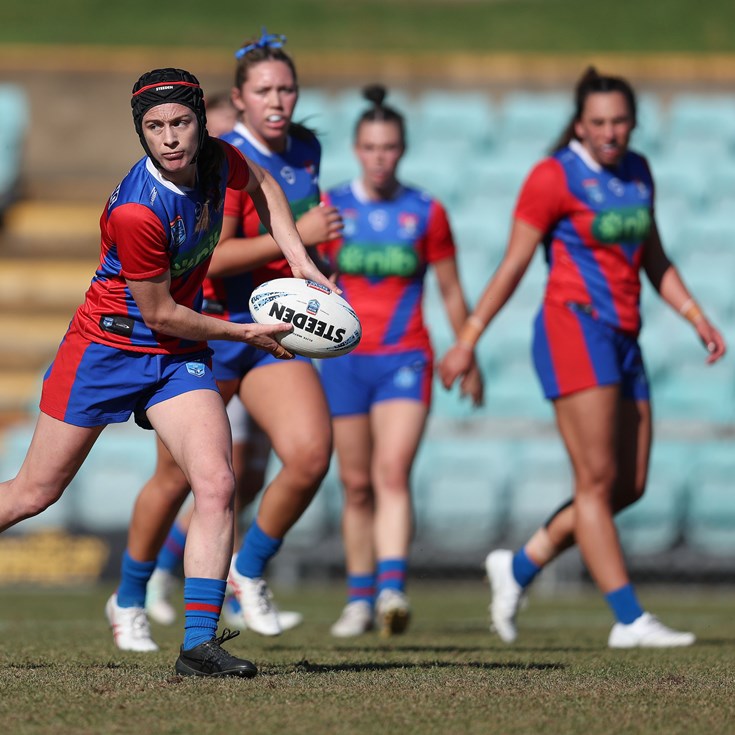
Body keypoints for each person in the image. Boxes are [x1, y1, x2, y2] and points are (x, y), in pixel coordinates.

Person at [0, 67, 331, 677]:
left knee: (217, 483)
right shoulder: (138, 210)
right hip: (106, 349)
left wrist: (299, 260)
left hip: (175, 357)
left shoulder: (219, 160)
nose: (170, 137)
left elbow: (262, 182)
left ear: (200, 122)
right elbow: (159, 312)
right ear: (141, 133)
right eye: (155, 127)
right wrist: (245, 333)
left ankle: (198, 645)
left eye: (180, 122)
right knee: (32, 494)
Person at [439, 67, 726, 648]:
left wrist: (695, 316)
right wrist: (468, 338)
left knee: (630, 485)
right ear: (580, 125)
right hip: (573, 328)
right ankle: (629, 619)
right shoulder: (553, 176)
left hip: (624, 336)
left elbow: (654, 258)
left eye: (620, 121)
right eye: (599, 122)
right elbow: (514, 264)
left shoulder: (638, 171)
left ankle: (519, 566)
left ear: (633, 123)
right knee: (595, 480)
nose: (610, 132)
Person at [114, 30, 343, 645]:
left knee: (310, 454)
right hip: (212, 327)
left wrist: (312, 270)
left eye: (286, 88)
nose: (277, 100)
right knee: (177, 478)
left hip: (273, 329)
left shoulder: (307, 148)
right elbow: (214, 257)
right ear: (238, 98)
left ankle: (249, 568)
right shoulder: (219, 156)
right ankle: (129, 595)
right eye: (263, 90)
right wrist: (299, 238)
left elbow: (292, 231)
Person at [319, 85, 484, 638]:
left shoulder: (426, 212)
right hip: (344, 362)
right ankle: (358, 600)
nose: (379, 157)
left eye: (388, 147)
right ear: (356, 149)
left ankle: (391, 590)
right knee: (355, 483)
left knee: (391, 472)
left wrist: (467, 348)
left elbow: (452, 290)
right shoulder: (330, 210)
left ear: (403, 149)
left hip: (405, 358)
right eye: (370, 147)